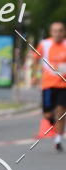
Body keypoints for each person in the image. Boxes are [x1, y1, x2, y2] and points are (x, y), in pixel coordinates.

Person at [31, 21, 66, 151]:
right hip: (48, 85)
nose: (58, 33)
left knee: (61, 111)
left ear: (64, 32)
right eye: (55, 31)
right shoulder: (44, 44)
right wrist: (34, 75)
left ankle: (58, 139)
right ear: (51, 32)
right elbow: (35, 59)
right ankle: (54, 125)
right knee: (47, 114)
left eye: (61, 30)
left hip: (64, 85)